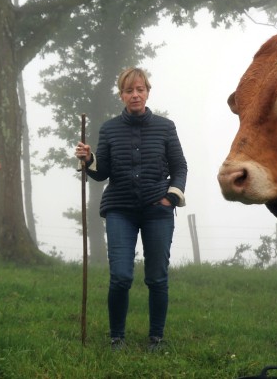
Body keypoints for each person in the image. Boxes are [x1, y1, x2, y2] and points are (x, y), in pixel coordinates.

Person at [74, 67, 187, 352]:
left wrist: (170, 198)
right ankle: (116, 338)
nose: (135, 95)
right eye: (128, 90)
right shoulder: (109, 129)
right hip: (120, 210)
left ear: (148, 91)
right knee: (121, 276)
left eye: (140, 89)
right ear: (121, 95)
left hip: (157, 209)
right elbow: (103, 173)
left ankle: (157, 338)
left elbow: (179, 167)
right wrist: (89, 160)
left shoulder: (165, 126)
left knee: (157, 276)